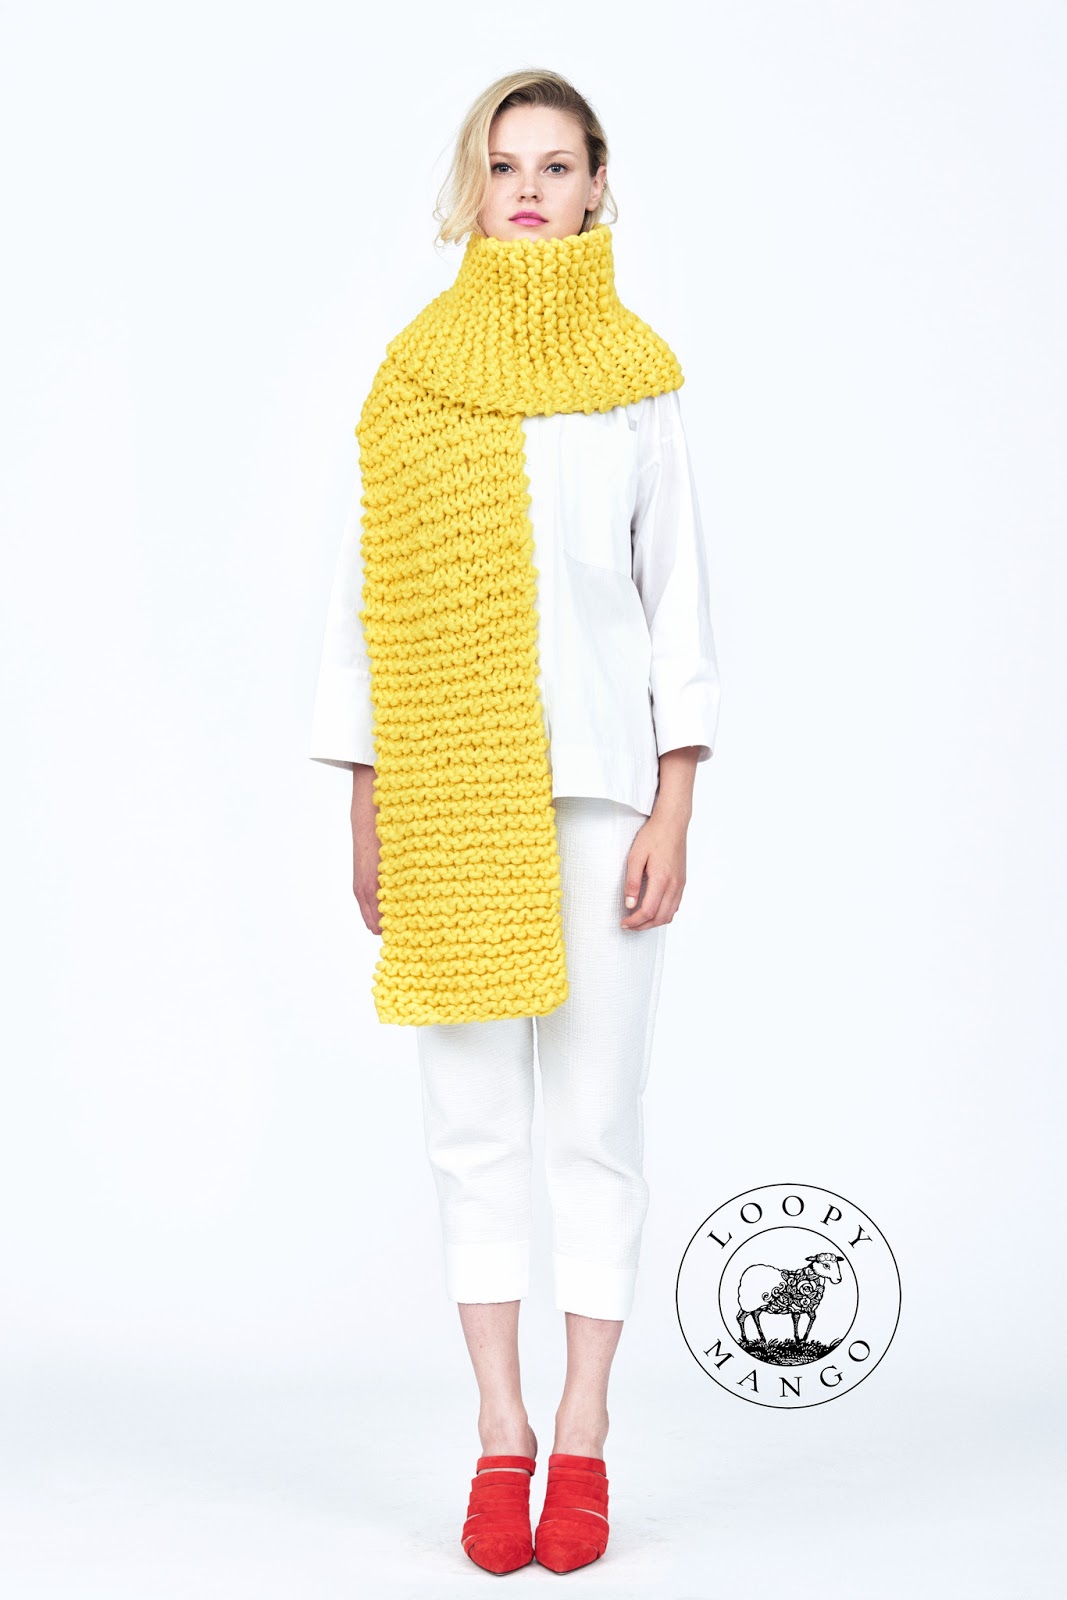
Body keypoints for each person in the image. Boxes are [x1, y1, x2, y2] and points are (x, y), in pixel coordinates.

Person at [309, 68, 720, 1576]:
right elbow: (365, 617)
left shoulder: (638, 381)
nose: (531, 189)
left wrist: (677, 800)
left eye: (556, 165)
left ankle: (587, 1433)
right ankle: (501, 1433)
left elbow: (679, 609)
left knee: (596, 1129)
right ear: (474, 191)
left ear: (599, 185)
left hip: (606, 798)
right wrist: (369, 805)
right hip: (449, 799)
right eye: (505, 166)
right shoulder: (414, 380)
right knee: (474, 1128)